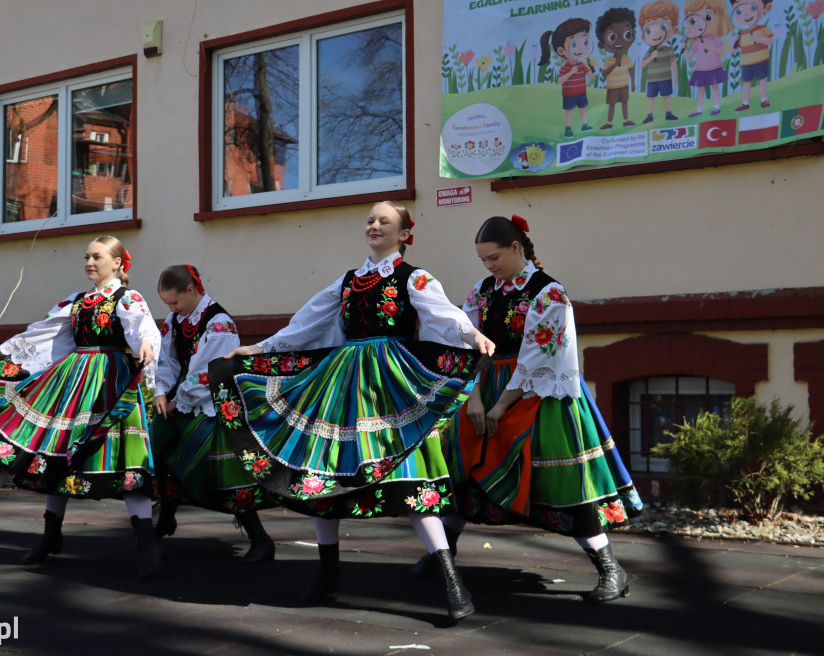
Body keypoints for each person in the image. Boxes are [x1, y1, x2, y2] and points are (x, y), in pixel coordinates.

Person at [209, 201, 495, 621]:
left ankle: (452, 580)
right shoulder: (346, 281)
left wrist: (471, 335)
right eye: (370, 220)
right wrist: (259, 348)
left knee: (410, 474)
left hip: (390, 382)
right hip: (342, 382)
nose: (374, 225)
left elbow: (445, 313)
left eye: (384, 221)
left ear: (404, 234)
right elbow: (305, 324)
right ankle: (329, 572)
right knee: (322, 470)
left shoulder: (413, 277)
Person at [421, 215, 642, 603]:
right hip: (486, 387)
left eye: (494, 258)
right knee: (463, 468)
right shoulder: (482, 291)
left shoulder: (548, 292)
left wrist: (501, 406)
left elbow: (541, 355)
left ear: (515, 248)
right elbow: (466, 343)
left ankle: (611, 568)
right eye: (482, 260)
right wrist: (475, 397)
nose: (489, 266)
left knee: (560, 480)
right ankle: (442, 554)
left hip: (539, 394)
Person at [0, 236, 163, 577]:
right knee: (57, 454)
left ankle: (148, 544)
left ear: (117, 263)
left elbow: (142, 325)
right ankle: (50, 535)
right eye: (87, 257)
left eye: (97, 257)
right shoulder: (76, 301)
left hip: (109, 381)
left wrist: (146, 344)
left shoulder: (128, 298)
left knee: (127, 460)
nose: (89, 262)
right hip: (72, 383)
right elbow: (42, 332)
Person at [151, 264, 274, 562]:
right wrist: (161, 391)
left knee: (222, 464)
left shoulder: (219, 323)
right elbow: (167, 360)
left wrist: (177, 399)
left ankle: (260, 539)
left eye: (174, 302)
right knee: (159, 442)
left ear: (190, 289)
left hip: (216, 399)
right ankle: (166, 516)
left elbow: (209, 372)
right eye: (167, 304)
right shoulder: (176, 319)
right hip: (184, 396)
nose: (171, 309)